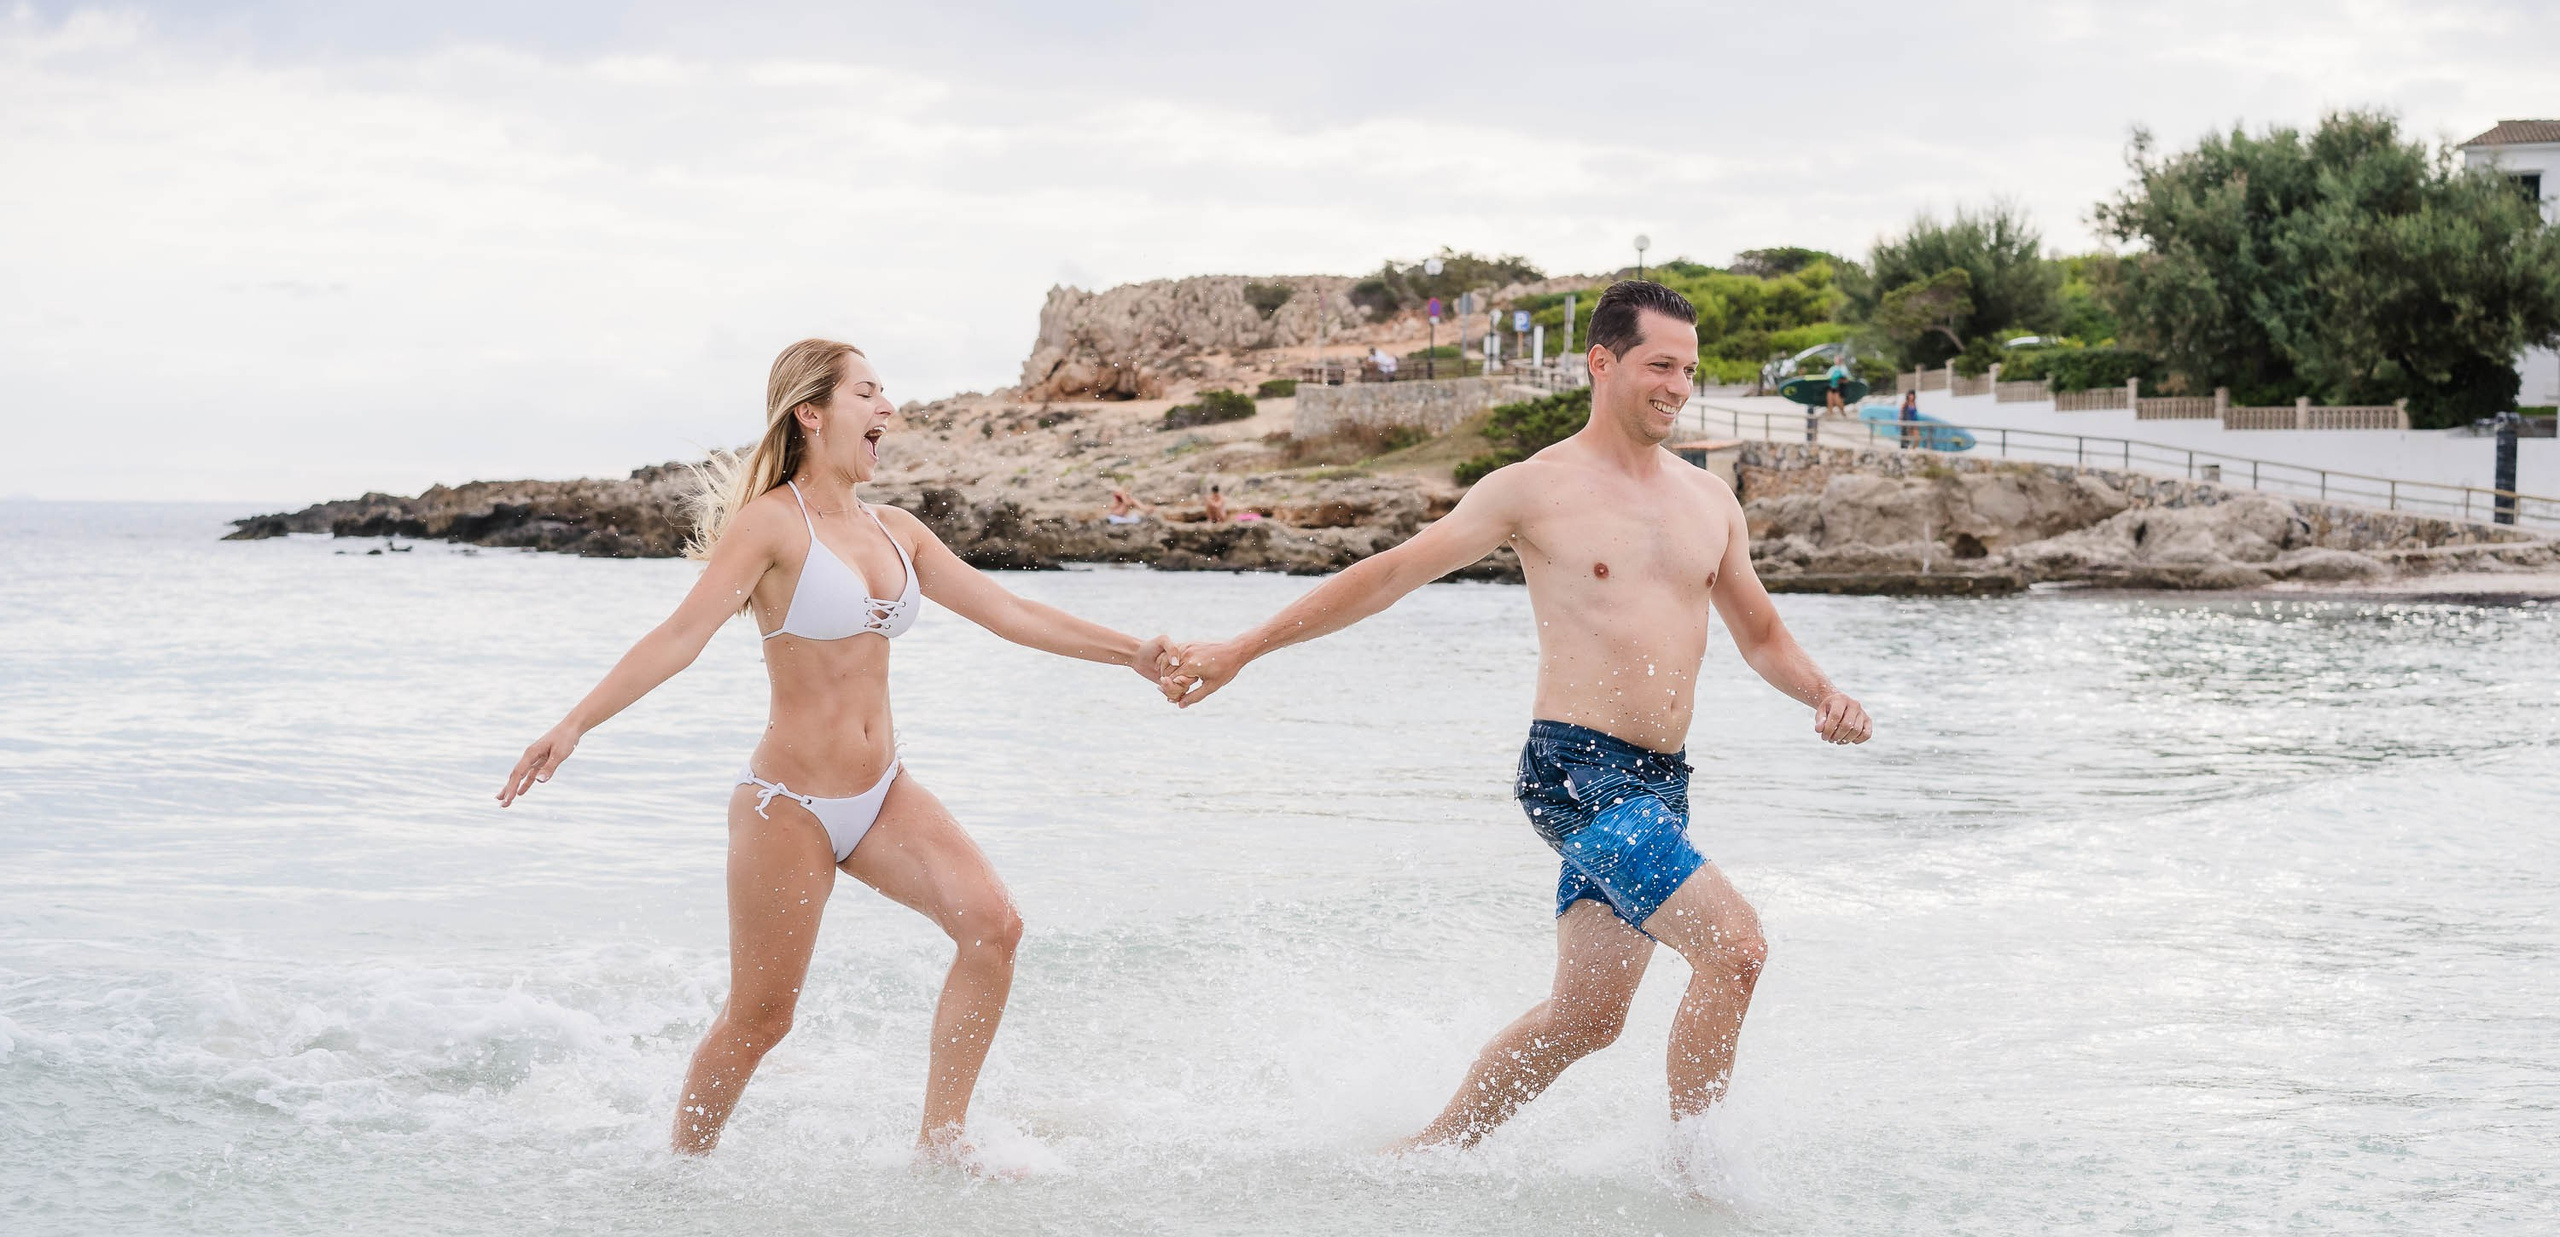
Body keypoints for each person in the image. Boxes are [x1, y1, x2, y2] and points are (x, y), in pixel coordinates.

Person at [1158, 281, 1871, 1154]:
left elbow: (1761, 636)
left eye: (1689, 370)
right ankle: (1702, 1180)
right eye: (1660, 366)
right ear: (1602, 362)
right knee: (1736, 947)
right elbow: (1390, 574)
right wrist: (1241, 647)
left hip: (1661, 783)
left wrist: (1823, 691)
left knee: (1588, 1017)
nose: (1679, 387)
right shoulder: (1532, 489)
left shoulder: (1709, 501)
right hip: (1577, 769)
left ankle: (1426, 1156)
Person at [498, 338, 1172, 1162]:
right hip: (790, 807)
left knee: (994, 928)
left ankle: (942, 1145)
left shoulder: (898, 531)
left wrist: (1132, 653)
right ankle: (678, 1171)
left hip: (883, 793)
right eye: (869, 392)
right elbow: (680, 636)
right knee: (761, 1020)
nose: (888, 408)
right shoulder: (771, 524)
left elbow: (1010, 610)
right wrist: (575, 723)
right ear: (811, 414)